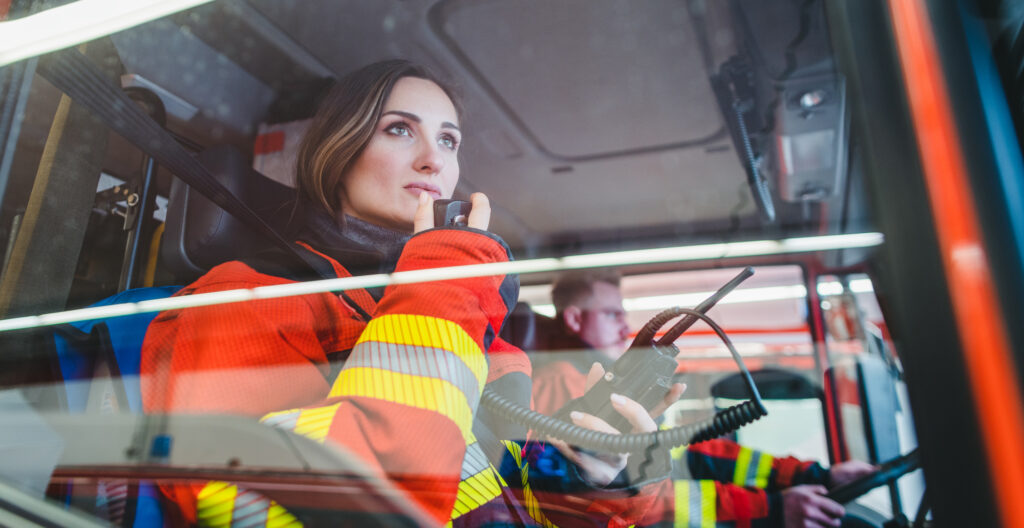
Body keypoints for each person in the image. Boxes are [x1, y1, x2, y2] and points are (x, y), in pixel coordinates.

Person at [141, 60, 673, 527]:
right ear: (339, 152)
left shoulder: (470, 328)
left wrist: (595, 480)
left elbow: (499, 502)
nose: (434, 160)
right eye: (399, 130)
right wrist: (440, 282)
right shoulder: (240, 301)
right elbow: (285, 508)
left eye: (448, 140)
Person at [529, 270, 877, 528]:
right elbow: (631, 496)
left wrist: (811, 475)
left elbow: (682, 453)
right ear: (574, 318)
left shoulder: (611, 382)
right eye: (611, 314)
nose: (625, 327)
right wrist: (768, 509)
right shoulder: (564, 385)